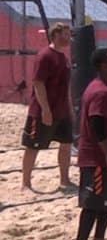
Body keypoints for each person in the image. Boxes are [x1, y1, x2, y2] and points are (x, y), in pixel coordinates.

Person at [73, 48, 107, 240]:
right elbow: (97, 124)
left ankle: (99, 238)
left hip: (102, 156)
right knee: (93, 201)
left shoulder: (104, 88)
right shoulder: (100, 92)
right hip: (95, 156)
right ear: (104, 65)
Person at [20, 22, 74, 192]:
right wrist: (45, 110)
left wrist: (70, 108)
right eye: (66, 34)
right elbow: (38, 83)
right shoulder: (45, 56)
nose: (69, 37)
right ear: (56, 35)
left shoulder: (64, 58)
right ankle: (25, 184)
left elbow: (67, 86)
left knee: (66, 144)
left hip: (62, 111)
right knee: (33, 146)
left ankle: (65, 180)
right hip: (42, 111)